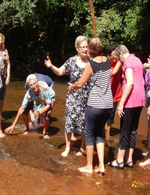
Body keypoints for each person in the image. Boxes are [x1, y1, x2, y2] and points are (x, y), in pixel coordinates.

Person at [67, 38, 113, 175]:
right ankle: (101, 166)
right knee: (99, 134)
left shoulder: (91, 64)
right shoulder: (107, 61)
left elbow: (80, 83)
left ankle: (89, 166)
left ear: (91, 50)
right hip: (108, 105)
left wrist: (71, 87)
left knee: (88, 134)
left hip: (95, 104)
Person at [44, 35, 90, 157]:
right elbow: (60, 72)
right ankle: (68, 147)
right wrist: (51, 66)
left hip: (86, 97)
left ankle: (82, 147)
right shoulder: (71, 61)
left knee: (84, 122)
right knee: (69, 122)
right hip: (72, 96)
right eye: (83, 47)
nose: (85, 49)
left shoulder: (91, 62)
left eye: (87, 47)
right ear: (77, 48)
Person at [108, 45, 145, 170]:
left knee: (125, 130)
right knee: (133, 129)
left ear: (121, 54)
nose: (120, 61)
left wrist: (121, 103)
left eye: (119, 58)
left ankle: (119, 160)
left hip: (131, 100)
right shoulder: (137, 60)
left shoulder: (128, 62)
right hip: (140, 100)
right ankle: (129, 160)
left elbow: (130, 83)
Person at [5, 74, 55, 139]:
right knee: (25, 110)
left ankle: (44, 133)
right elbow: (22, 108)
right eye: (31, 85)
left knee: (47, 114)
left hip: (49, 97)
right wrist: (13, 124)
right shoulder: (29, 92)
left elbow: (48, 105)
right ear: (29, 86)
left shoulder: (44, 89)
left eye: (34, 83)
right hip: (38, 98)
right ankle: (27, 130)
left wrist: (40, 112)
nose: (33, 86)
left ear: (37, 82)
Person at [104, 46, 122, 146]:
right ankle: (104, 135)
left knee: (110, 118)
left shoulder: (118, 62)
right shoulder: (103, 63)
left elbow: (114, 72)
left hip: (114, 94)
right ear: (108, 56)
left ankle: (107, 137)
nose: (115, 56)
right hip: (103, 94)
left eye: (116, 54)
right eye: (113, 55)